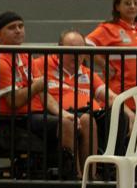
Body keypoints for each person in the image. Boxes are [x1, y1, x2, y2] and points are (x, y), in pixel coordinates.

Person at [0, 11, 93, 175]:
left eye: (21, 26)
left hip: (35, 116)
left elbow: (43, 94)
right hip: (12, 121)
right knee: (67, 124)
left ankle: (91, 178)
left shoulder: (24, 55)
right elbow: (14, 101)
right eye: (12, 28)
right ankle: (75, 179)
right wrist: (37, 86)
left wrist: (63, 113)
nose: (18, 30)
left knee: (86, 120)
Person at [35, 30, 112, 164]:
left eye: (81, 49)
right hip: (59, 114)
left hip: (91, 114)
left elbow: (110, 96)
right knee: (84, 120)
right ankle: (78, 174)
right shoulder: (41, 64)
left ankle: (102, 170)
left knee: (119, 116)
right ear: (60, 49)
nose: (76, 54)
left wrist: (130, 113)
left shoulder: (87, 73)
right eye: (71, 49)